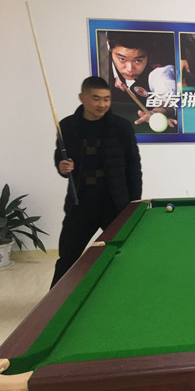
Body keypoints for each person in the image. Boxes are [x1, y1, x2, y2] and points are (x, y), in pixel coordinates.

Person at [52, 76, 142, 287]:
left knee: (123, 254)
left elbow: (133, 168)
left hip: (115, 204)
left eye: (106, 99)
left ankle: (125, 293)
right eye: (96, 98)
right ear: (82, 98)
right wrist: (62, 167)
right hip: (80, 204)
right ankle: (53, 301)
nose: (102, 104)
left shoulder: (122, 127)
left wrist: (134, 205)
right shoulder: (67, 126)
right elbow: (60, 155)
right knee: (67, 257)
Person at [105, 30, 177, 130]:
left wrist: (161, 111)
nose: (129, 69)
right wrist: (117, 76)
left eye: (138, 60)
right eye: (122, 59)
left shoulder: (159, 72)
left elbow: (167, 94)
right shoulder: (109, 47)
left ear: (148, 55)